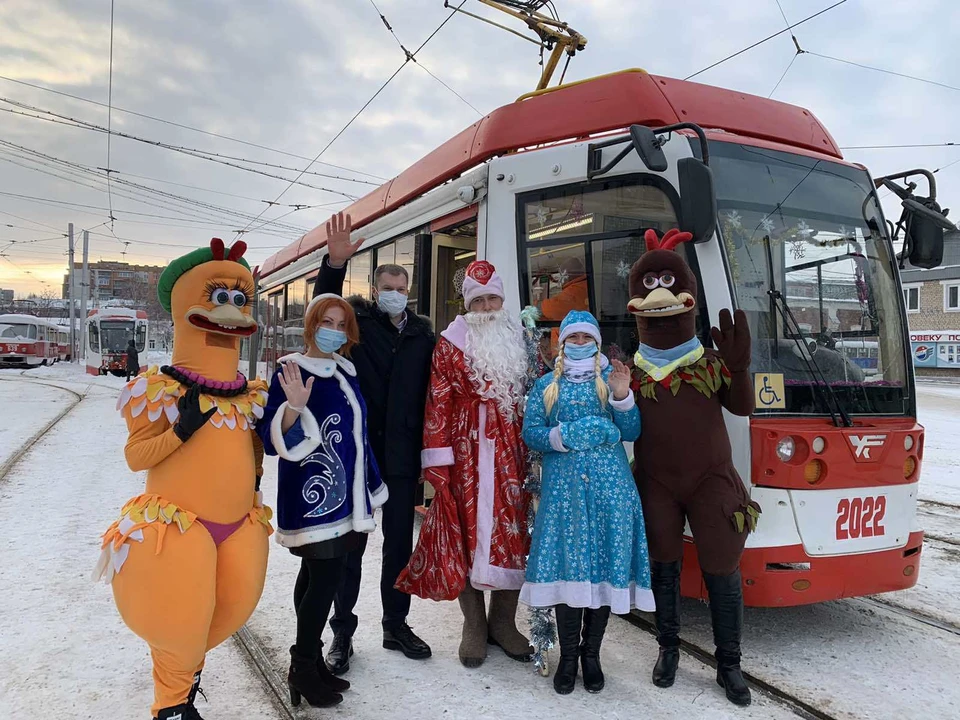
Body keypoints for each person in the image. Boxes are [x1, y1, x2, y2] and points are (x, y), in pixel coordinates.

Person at [94, 239, 271, 720]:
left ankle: (184, 683)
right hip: (176, 527)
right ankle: (171, 706)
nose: (231, 313)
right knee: (178, 620)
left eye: (240, 299)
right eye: (217, 297)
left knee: (221, 614)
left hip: (236, 525)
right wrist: (180, 432)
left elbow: (257, 447)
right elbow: (137, 457)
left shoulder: (248, 396)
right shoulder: (160, 389)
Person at [627, 228, 759, 707]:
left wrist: (740, 368)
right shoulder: (631, 371)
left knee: (723, 569)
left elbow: (742, 408)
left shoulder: (710, 362)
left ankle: (730, 663)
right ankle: (668, 648)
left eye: (668, 280)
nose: (659, 292)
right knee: (664, 567)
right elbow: (621, 424)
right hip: (656, 481)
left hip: (711, 481)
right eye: (648, 283)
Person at [311, 212, 435, 674]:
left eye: (402, 288)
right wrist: (334, 264)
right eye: (387, 286)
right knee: (350, 548)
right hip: (358, 458)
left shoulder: (424, 335)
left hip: (402, 459)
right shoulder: (358, 327)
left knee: (399, 545)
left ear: (409, 293)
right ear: (376, 288)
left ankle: (395, 624)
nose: (394, 294)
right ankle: (341, 632)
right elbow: (327, 306)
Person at [396, 260, 534, 668]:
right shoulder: (450, 343)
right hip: (467, 454)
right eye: (479, 301)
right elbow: (437, 401)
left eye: (493, 298)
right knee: (465, 537)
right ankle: (474, 624)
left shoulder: (522, 339)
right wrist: (439, 462)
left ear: (503, 300)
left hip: (514, 455)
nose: (488, 307)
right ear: (468, 305)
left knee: (514, 537)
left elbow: (540, 392)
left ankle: (503, 623)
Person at [257, 293, 388, 710]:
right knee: (325, 580)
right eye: (326, 321)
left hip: (346, 500)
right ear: (311, 324)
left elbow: (356, 438)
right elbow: (272, 439)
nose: (333, 329)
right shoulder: (291, 369)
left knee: (313, 578)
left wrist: (371, 487)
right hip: (313, 500)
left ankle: (311, 664)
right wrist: (293, 409)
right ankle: (302, 666)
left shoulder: (344, 371)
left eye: (341, 323)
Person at [520, 310, 655, 695]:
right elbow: (532, 434)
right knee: (569, 569)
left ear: (597, 342)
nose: (580, 344)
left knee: (601, 571)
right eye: (573, 339)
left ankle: (590, 655)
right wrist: (569, 434)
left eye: (587, 338)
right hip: (564, 494)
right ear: (562, 344)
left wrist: (622, 395)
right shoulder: (547, 384)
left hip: (611, 490)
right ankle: (567, 658)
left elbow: (631, 431)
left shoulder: (609, 380)